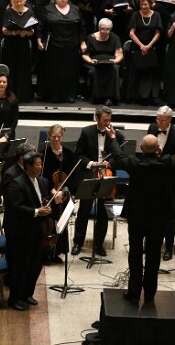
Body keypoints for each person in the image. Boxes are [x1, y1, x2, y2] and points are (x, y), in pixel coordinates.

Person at [107, 129, 175, 303]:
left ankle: (134, 293)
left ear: (141, 148)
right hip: (159, 217)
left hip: (137, 217)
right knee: (154, 254)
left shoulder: (135, 164)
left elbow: (118, 155)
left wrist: (113, 138)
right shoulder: (167, 163)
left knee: (135, 253)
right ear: (158, 149)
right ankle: (150, 293)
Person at [4, 151, 61, 310]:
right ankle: (14, 298)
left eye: (40, 164)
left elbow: (44, 201)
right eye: (37, 164)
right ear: (28, 166)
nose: (40, 167)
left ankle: (27, 294)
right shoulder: (17, 183)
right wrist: (36, 211)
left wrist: (49, 207)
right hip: (20, 231)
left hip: (38, 231)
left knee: (35, 265)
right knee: (20, 266)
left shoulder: (42, 181)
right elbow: (14, 207)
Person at [71, 105, 124, 256]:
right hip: (90, 174)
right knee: (84, 210)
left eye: (109, 119)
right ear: (97, 118)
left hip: (107, 175)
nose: (108, 123)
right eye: (105, 120)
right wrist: (91, 163)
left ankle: (99, 244)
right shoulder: (86, 132)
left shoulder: (116, 135)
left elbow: (120, 157)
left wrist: (110, 163)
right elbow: (78, 155)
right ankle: (78, 242)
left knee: (103, 212)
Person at [147, 106, 175, 261]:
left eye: (163, 120)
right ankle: (149, 243)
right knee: (151, 213)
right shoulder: (152, 128)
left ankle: (168, 248)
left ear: (170, 119)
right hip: (153, 180)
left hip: (170, 181)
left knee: (169, 216)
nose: (160, 123)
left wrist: (162, 161)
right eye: (158, 119)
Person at [37, 0, 86, 102]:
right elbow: (40, 26)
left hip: (71, 46)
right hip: (53, 46)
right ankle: (53, 96)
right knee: (53, 71)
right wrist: (39, 40)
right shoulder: (47, 9)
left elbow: (82, 26)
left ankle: (69, 95)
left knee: (69, 71)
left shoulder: (76, 9)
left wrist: (83, 42)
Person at [41, 124, 77, 263]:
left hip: (64, 194)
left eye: (58, 136)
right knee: (49, 222)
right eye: (53, 136)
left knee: (62, 223)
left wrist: (63, 192)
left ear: (62, 136)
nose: (56, 139)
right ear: (49, 136)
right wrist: (53, 191)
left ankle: (58, 251)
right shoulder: (44, 154)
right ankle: (47, 251)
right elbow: (42, 176)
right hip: (49, 193)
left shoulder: (68, 154)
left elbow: (72, 177)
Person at [127, 0, 162, 105]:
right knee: (137, 72)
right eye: (141, 4)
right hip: (137, 47)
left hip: (151, 47)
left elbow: (157, 33)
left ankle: (150, 97)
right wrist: (141, 46)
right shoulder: (135, 15)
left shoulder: (156, 15)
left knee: (150, 73)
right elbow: (131, 33)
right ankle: (136, 96)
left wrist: (149, 46)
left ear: (150, 3)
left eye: (145, 4)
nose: (143, 7)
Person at [1, 0, 35, 103]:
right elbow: (4, 29)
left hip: (23, 44)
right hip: (10, 44)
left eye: (20, 1)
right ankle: (10, 95)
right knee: (12, 69)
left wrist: (27, 33)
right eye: (16, 1)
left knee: (23, 69)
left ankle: (24, 96)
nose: (19, 3)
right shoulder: (8, 11)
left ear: (24, 0)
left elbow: (32, 30)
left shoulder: (30, 12)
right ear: (12, 1)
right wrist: (14, 32)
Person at [82, 18, 123, 105]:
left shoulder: (115, 37)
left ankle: (110, 97)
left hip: (110, 62)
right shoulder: (91, 38)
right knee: (95, 71)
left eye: (107, 29)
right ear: (99, 28)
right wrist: (90, 61)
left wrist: (115, 61)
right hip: (95, 62)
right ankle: (97, 97)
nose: (104, 31)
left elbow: (119, 54)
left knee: (114, 69)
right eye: (102, 29)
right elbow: (85, 55)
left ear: (110, 29)